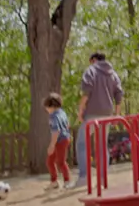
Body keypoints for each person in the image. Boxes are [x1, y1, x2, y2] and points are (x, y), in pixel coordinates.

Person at [74, 52, 123, 187]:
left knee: (81, 143)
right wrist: (116, 115)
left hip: (92, 113)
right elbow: (119, 95)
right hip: (107, 114)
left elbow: (86, 92)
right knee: (102, 146)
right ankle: (102, 179)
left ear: (93, 60)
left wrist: (80, 110)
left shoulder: (91, 70)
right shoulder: (113, 74)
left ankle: (84, 177)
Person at [44, 93, 72, 189]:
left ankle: (67, 181)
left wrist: (52, 145)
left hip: (60, 140)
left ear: (51, 106)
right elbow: (68, 124)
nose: (46, 110)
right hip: (65, 138)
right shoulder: (62, 112)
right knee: (50, 161)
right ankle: (54, 181)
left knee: (60, 161)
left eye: (46, 107)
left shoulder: (53, 117)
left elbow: (56, 131)